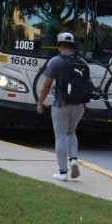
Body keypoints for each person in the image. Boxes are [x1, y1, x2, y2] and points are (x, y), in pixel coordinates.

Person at [36, 32, 87, 181]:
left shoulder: (55, 61)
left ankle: (63, 172)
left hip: (61, 104)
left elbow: (46, 85)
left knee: (60, 137)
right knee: (71, 132)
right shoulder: (82, 62)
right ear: (73, 46)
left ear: (59, 46)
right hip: (79, 105)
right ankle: (73, 160)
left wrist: (40, 103)